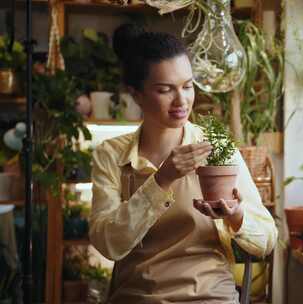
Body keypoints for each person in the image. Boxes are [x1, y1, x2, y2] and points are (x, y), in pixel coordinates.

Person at [89, 23, 277, 304]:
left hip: (210, 295)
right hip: (137, 296)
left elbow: (267, 239)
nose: (182, 100)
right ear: (136, 94)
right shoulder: (111, 154)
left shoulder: (216, 147)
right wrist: (161, 180)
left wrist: (236, 215)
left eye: (188, 86)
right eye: (165, 89)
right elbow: (108, 243)